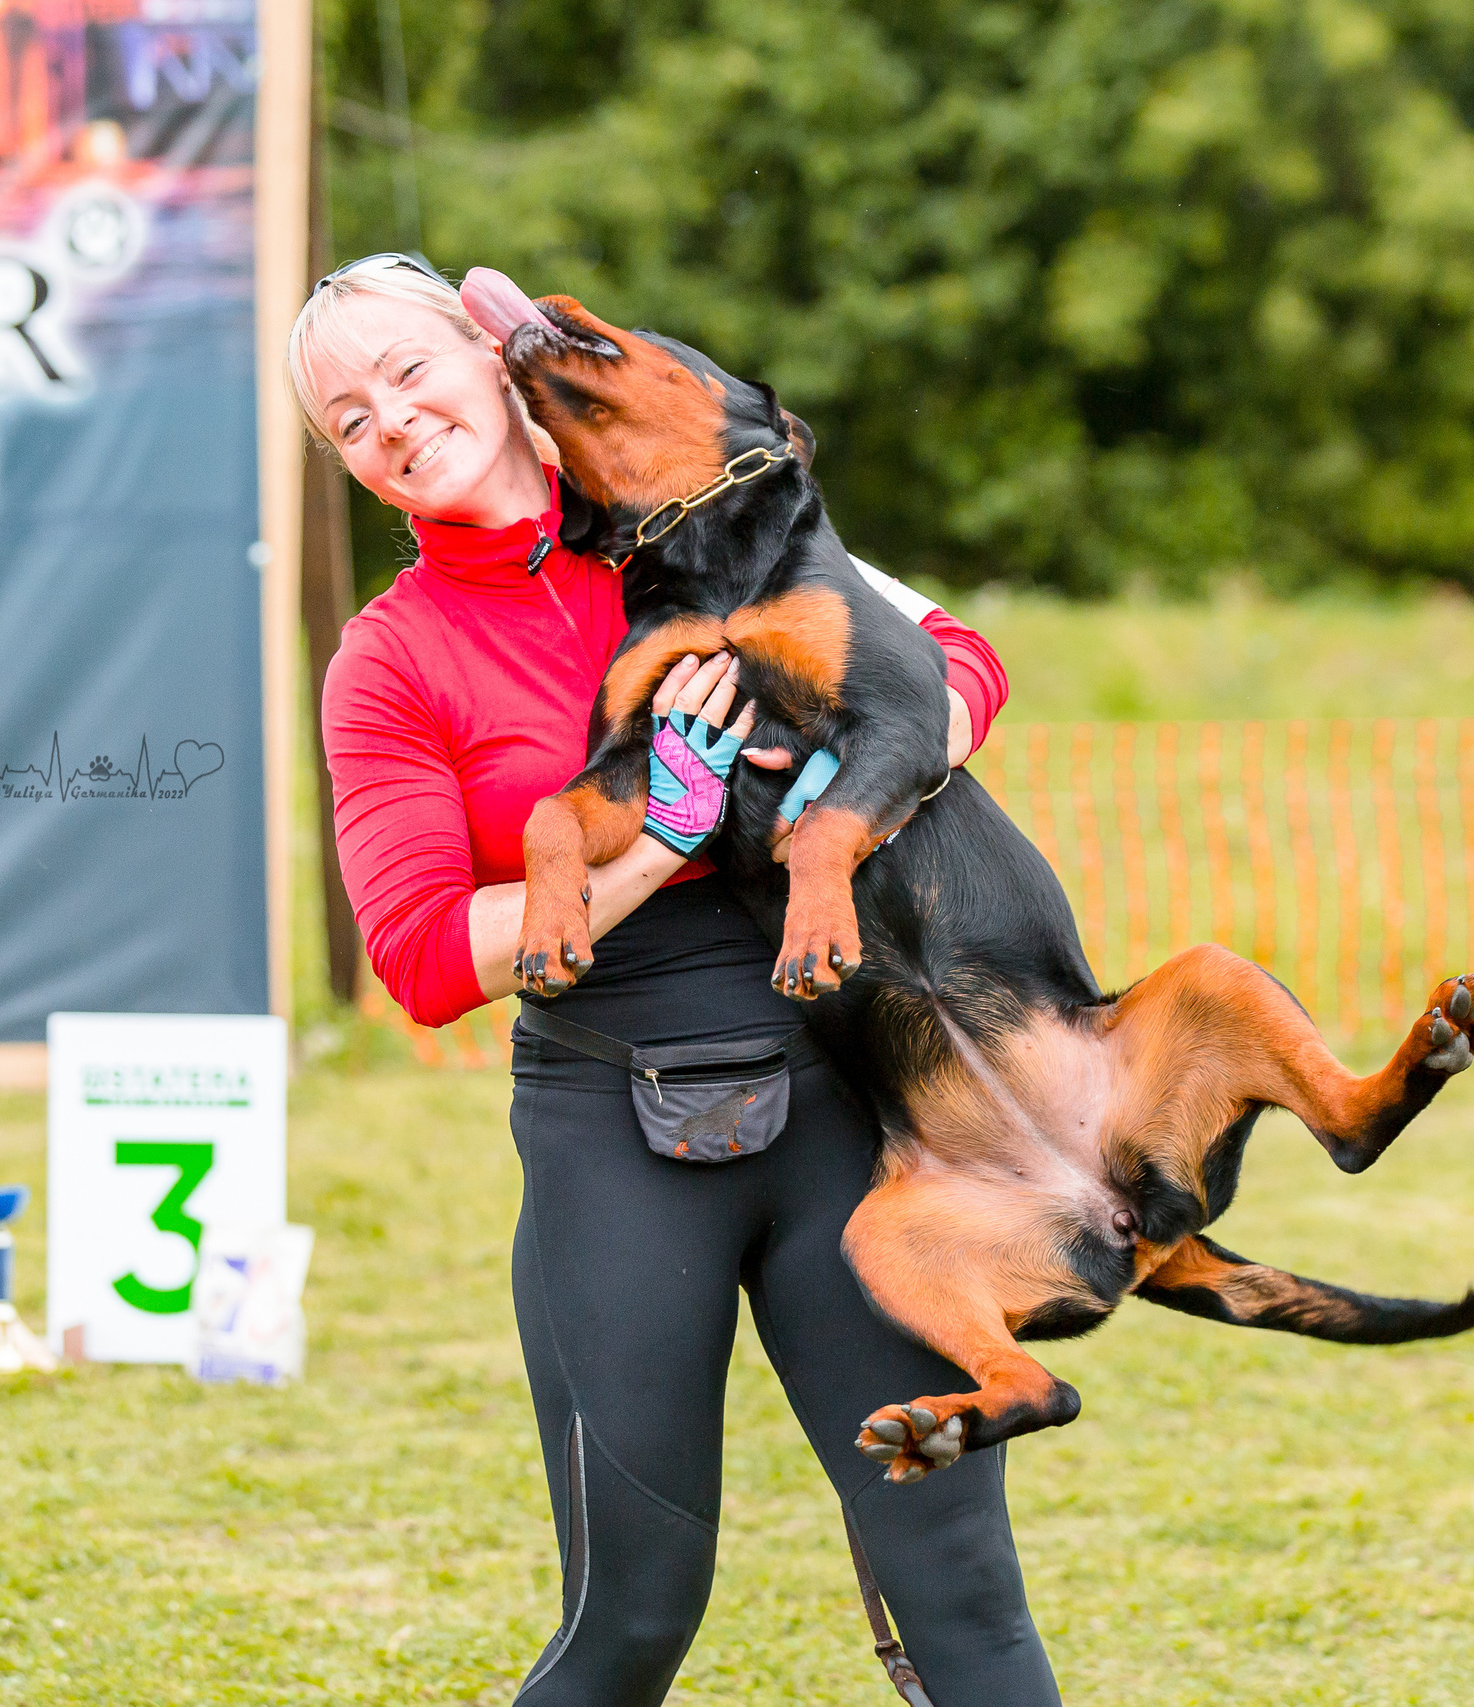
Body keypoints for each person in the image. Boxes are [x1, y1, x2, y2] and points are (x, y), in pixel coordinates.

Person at [298, 254, 1060, 1705]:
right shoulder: (388, 660)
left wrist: (858, 775)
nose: (390, 421)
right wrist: (657, 839)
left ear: (494, 362)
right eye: (350, 419)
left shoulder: (699, 515)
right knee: (637, 1616)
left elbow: (960, 657)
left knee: (962, 1593)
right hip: (613, 1131)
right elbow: (417, 957)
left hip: (845, 1094)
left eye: (409, 374)